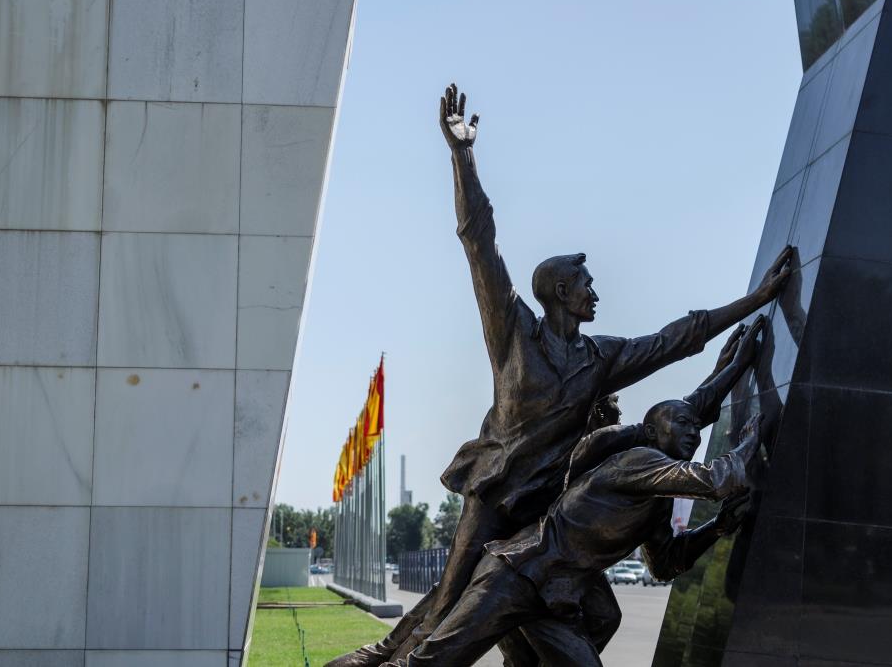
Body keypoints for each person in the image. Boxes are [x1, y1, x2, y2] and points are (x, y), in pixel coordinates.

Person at [326, 84, 793, 666]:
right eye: (587, 286)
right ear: (562, 293)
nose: (597, 293)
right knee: (451, 598)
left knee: (592, 614)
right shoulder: (514, 333)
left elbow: (681, 337)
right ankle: (381, 658)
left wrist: (755, 300)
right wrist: (462, 156)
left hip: (545, 511)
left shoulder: (602, 359)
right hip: (497, 492)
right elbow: (480, 244)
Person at [384, 323, 766, 666]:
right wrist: (750, 440)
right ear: (652, 433)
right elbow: (717, 478)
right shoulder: (635, 461)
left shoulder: (655, 498)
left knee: (599, 623)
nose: (694, 433)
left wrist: (717, 527)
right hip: (513, 576)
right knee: (431, 663)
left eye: (695, 427)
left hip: (552, 599)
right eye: (681, 425)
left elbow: (665, 563)